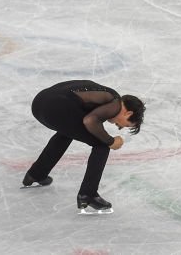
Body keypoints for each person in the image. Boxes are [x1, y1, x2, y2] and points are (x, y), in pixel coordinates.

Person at [23, 80, 145, 214]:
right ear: (128, 113)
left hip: (40, 104)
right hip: (55, 107)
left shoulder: (108, 97)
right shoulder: (116, 104)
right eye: (126, 124)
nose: (119, 127)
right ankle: (88, 194)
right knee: (101, 145)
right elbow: (90, 121)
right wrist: (110, 141)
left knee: (67, 133)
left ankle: (36, 174)